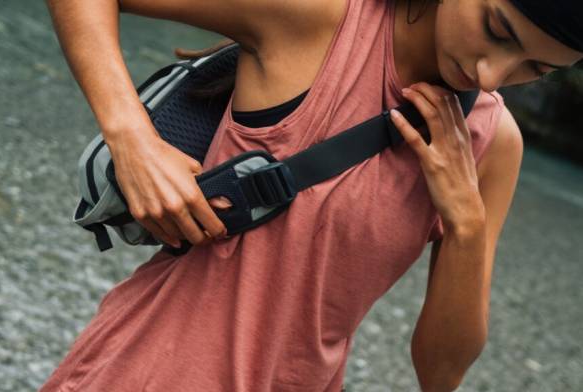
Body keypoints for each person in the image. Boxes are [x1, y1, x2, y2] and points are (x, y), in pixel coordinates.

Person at [42, 0, 583, 391]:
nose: (493, 72)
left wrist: (465, 221)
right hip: (145, 372)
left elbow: (440, 375)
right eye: (496, 28)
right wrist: (132, 138)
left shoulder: (493, 142)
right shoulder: (321, 20)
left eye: (535, 69)